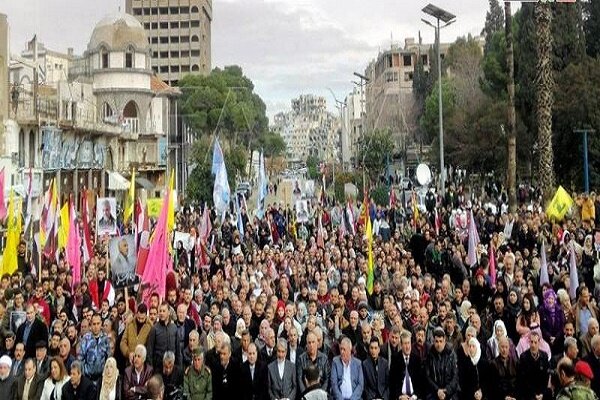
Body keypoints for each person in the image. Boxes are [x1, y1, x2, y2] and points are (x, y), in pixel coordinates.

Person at [424, 328, 459, 400]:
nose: (439, 344)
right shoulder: (429, 354)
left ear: (444, 341)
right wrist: (438, 390)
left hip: (450, 392)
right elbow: (427, 377)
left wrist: (446, 390)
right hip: (434, 392)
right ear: (433, 342)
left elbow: (455, 376)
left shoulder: (451, 354)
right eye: (436, 341)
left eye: (441, 341)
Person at [390, 330, 423, 400]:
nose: (407, 347)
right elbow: (392, 382)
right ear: (401, 345)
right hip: (401, 396)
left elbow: (420, 382)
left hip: (414, 396)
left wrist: (415, 396)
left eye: (408, 343)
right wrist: (400, 396)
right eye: (405, 343)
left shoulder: (417, 359)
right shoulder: (395, 358)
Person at [517, 330, 550, 400]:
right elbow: (523, 380)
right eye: (531, 342)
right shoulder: (523, 357)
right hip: (528, 394)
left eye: (535, 342)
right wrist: (534, 395)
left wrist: (542, 394)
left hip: (541, 393)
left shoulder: (544, 356)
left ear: (539, 343)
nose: (533, 345)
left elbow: (546, 377)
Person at [79, 314, 110, 384]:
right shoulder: (85, 339)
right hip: (88, 379)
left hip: (102, 379)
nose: (96, 326)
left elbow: (109, 358)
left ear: (101, 324)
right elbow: (80, 359)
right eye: (94, 324)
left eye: (98, 324)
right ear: (90, 325)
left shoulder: (106, 339)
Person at [147, 304, 178, 370]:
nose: (161, 313)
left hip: (172, 366)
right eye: (160, 311)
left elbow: (178, 350)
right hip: (158, 367)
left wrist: (179, 367)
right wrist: (150, 368)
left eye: (164, 311)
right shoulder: (154, 329)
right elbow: (149, 351)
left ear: (169, 312)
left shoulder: (174, 328)